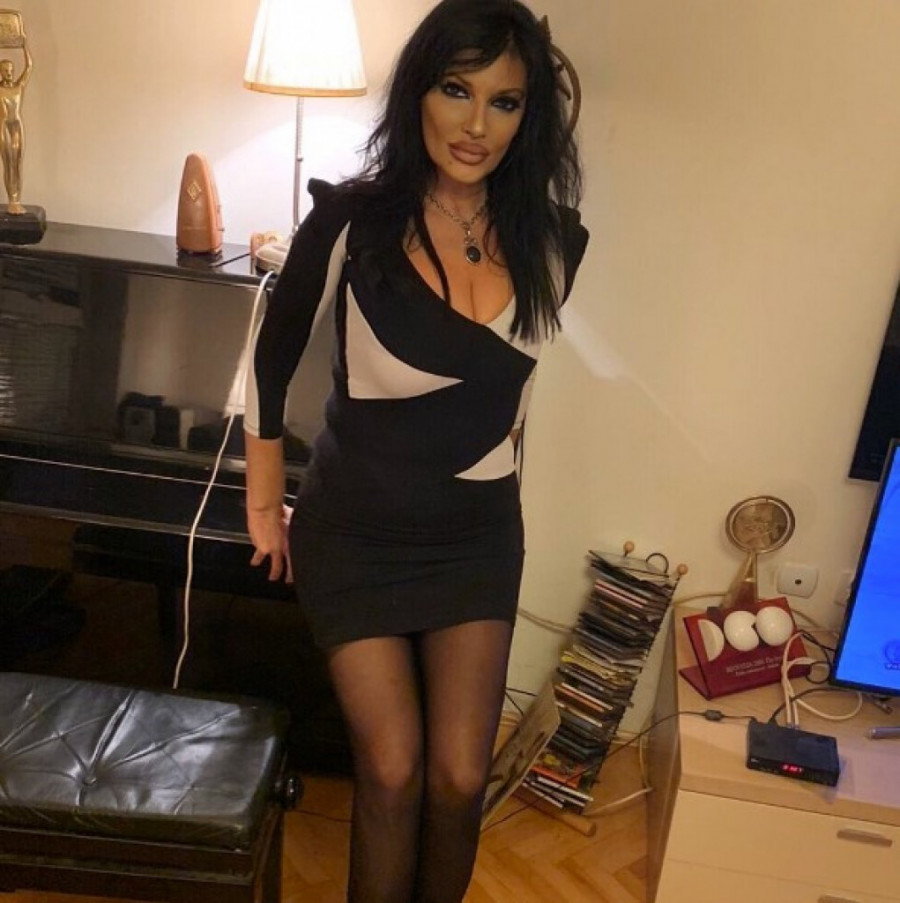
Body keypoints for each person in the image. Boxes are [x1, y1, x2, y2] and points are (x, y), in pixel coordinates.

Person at [243, 1, 588, 900]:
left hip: (474, 539)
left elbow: (510, 395)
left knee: (461, 777)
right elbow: (270, 360)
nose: (476, 125)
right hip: (354, 535)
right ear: (418, 95)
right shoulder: (352, 223)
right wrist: (263, 499)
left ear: (529, 117)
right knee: (393, 768)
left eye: (504, 102)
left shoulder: (554, 243)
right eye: (455, 90)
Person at [0, 37, 32, 215]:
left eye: (11, 70)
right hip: (3, 127)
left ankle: (16, 200)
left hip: (17, 126)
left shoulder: (19, 86)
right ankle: (11, 200)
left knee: (17, 162)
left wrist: (24, 45)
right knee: (8, 162)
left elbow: (29, 67)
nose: (9, 73)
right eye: (5, 70)